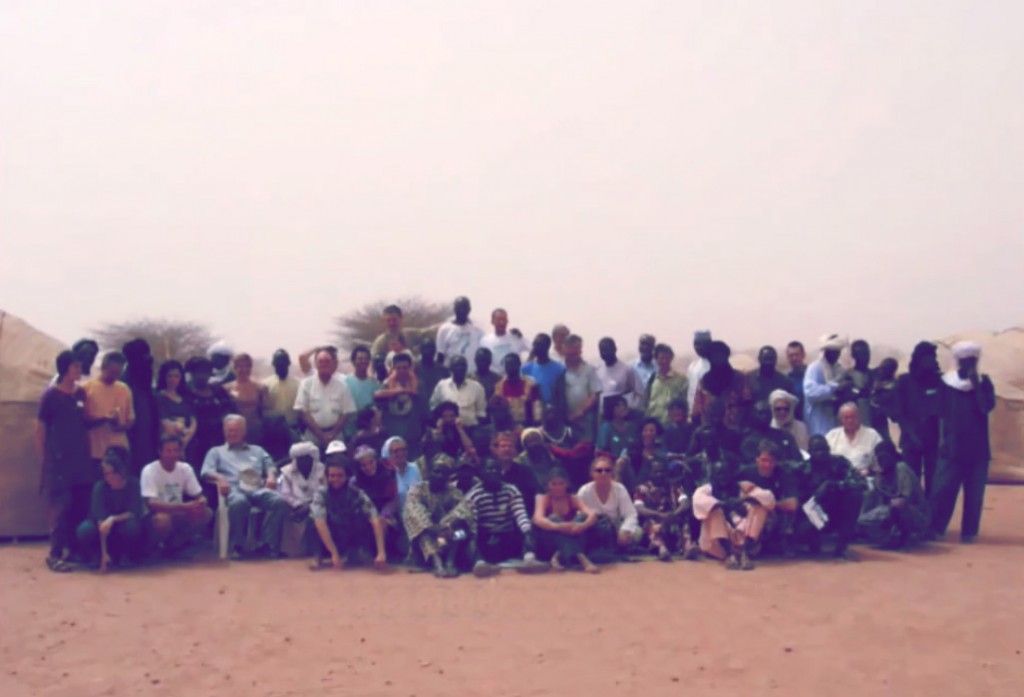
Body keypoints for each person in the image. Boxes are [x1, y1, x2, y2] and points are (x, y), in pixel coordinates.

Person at [929, 341, 996, 544]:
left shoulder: (984, 383)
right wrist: (942, 441)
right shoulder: (946, 384)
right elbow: (940, 414)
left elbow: (986, 408)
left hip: (978, 450)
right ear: (958, 361)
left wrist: (976, 386)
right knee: (943, 491)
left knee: (975, 495)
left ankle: (969, 532)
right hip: (952, 447)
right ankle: (936, 529)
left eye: (973, 361)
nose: (970, 365)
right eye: (966, 361)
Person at [36, 351, 94, 572]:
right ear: (65, 369)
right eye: (76, 367)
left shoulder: (80, 394)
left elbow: (84, 424)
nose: (79, 371)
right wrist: (45, 458)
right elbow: (40, 428)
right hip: (59, 461)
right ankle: (55, 554)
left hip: (80, 461)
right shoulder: (51, 396)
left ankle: (76, 551)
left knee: (80, 506)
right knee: (60, 507)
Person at [201, 415, 289, 559]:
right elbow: (206, 472)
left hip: (258, 488)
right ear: (224, 432)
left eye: (235, 431)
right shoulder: (216, 452)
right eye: (229, 431)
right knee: (239, 502)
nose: (232, 434)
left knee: (278, 501)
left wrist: (271, 476)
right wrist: (220, 478)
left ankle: (269, 546)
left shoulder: (257, 450)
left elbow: (270, 465)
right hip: (234, 489)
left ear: (243, 432)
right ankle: (237, 546)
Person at [403, 454, 476, 578]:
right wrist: (436, 529)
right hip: (424, 543)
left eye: (443, 473)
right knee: (421, 528)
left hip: (448, 538)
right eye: (436, 472)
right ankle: (437, 563)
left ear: (448, 477)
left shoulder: (454, 492)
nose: (439, 476)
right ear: (429, 473)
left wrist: (448, 526)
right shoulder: (417, 490)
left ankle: (450, 562)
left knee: (459, 525)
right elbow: (415, 513)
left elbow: (466, 510)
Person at [692, 457, 770, 570]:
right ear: (714, 475)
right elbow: (699, 501)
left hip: (744, 542)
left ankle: (744, 555)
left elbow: (768, 498)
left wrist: (742, 501)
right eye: (720, 474)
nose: (723, 478)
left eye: (726, 474)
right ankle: (729, 556)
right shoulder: (705, 490)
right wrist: (724, 504)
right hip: (717, 546)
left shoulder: (743, 487)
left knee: (760, 508)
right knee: (715, 510)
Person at [140, 435, 213, 556]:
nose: (172, 454)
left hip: (178, 513)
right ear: (160, 452)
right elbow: (151, 504)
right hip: (155, 515)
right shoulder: (149, 470)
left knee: (206, 513)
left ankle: (175, 545)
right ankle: (151, 547)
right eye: (168, 451)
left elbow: (198, 494)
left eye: (176, 450)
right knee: (163, 521)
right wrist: (184, 507)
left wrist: (201, 502)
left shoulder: (185, 468)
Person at [309, 459, 388, 571]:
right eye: (332, 476)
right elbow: (320, 523)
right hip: (328, 537)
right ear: (327, 477)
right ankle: (318, 556)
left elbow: (375, 519)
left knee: (365, 518)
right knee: (311, 521)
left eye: (340, 475)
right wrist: (334, 554)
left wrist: (381, 552)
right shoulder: (321, 494)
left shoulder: (357, 494)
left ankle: (355, 552)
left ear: (347, 476)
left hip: (347, 534)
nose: (336, 479)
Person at [793, 436, 864, 558]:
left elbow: (861, 483)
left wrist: (833, 485)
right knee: (802, 528)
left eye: (823, 449)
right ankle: (811, 544)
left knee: (854, 496)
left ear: (829, 449)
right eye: (816, 450)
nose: (821, 453)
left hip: (837, 513)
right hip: (812, 513)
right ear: (809, 451)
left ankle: (842, 546)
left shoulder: (840, 463)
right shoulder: (802, 469)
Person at [76, 449, 144, 573]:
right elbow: (101, 523)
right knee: (85, 530)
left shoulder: (133, 484)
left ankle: (125, 554)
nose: (110, 477)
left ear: (121, 471)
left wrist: (113, 519)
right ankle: (96, 555)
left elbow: (133, 511)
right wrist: (104, 554)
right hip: (101, 525)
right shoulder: (99, 487)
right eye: (106, 474)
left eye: (113, 473)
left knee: (132, 527)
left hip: (123, 522)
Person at [465, 458, 535, 576]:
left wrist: (527, 532)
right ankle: (479, 563)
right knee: (467, 535)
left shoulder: (511, 490)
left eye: (496, 469)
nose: (493, 472)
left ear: (501, 472)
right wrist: (481, 538)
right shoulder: (473, 495)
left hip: (507, 535)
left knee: (529, 527)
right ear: (482, 473)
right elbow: (473, 523)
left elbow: (520, 514)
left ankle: (529, 559)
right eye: (489, 469)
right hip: (484, 536)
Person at [859, 441, 930, 549]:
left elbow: (906, 498)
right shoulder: (881, 474)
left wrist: (887, 513)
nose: (882, 460)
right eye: (880, 457)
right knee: (863, 516)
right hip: (890, 510)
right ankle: (889, 538)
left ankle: (906, 537)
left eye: (885, 457)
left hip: (915, 513)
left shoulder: (901, 468)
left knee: (898, 505)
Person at [893, 342, 943, 494]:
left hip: (934, 441)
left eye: (932, 357)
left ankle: (932, 516)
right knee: (911, 485)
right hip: (910, 440)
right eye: (926, 357)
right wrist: (912, 436)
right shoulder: (904, 382)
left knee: (933, 485)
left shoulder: (940, 382)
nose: (930, 360)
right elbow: (898, 413)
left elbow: (944, 412)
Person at [737, 441, 800, 556]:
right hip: (747, 513)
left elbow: (793, 504)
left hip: (774, 514)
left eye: (771, 461)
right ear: (756, 459)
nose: (767, 465)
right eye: (764, 460)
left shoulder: (784, 473)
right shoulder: (745, 473)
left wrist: (769, 503)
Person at [532, 468, 600, 572]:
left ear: (567, 484)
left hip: (572, 535)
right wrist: (559, 527)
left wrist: (582, 526)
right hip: (550, 541)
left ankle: (558, 555)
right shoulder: (542, 498)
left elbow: (591, 514)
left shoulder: (573, 499)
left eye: (561, 484)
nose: (558, 487)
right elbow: (537, 519)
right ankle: (581, 557)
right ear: (548, 485)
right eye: (554, 484)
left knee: (582, 517)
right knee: (553, 518)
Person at [576, 455, 642, 555]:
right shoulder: (584, 491)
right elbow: (578, 516)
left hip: (615, 528)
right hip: (592, 529)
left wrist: (624, 530)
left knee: (637, 533)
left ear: (612, 473)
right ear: (592, 474)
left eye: (607, 470)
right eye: (599, 470)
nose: (603, 473)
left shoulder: (619, 489)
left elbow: (631, 514)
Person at [295, 348, 357, 450]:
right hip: (312, 435)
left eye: (327, 362)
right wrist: (321, 435)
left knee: (337, 463)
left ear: (333, 364)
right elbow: (303, 413)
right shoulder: (306, 384)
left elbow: (346, 413)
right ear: (316, 364)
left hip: (335, 435)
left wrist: (332, 434)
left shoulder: (342, 385)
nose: (324, 364)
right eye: (321, 362)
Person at [352, 445, 407, 561]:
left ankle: (389, 551)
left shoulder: (389, 472)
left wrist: (384, 516)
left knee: (390, 525)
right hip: (366, 513)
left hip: (386, 510)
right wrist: (373, 518)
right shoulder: (355, 481)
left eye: (371, 462)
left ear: (376, 460)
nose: (368, 467)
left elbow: (394, 498)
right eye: (364, 465)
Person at [633, 459, 695, 561]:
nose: (659, 474)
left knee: (683, 519)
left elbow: (686, 503)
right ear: (651, 473)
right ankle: (661, 549)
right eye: (656, 472)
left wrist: (674, 513)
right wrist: (658, 515)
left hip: (671, 519)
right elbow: (639, 508)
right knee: (650, 523)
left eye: (662, 471)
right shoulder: (642, 489)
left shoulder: (674, 486)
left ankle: (688, 547)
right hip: (653, 520)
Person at [82, 351, 135, 470]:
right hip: (96, 452)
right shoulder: (87, 389)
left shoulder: (124, 389)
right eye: (112, 372)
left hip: (119, 450)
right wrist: (103, 419)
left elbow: (130, 420)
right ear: (103, 368)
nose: (115, 376)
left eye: (118, 373)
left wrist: (119, 426)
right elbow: (82, 421)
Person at [183, 356, 234, 475]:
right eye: (199, 371)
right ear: (192, 373)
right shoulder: (186, 394)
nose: (202, 376)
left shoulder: (218, 391)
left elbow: (229, 410)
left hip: (218, 439)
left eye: (206, 371)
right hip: (196, 442)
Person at [375, 353, 426, 457]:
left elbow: (424, 411)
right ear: (393, 368)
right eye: (398, 368)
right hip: (392, 439)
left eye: (405, 368)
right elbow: (377, 397)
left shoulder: (419, 385)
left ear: (411, 368)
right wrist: (400, 390)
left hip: (413, 438)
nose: (402, 371)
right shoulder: (385, 385)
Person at [691, 341, 751, 427]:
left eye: (720, 356)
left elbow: (747, 405)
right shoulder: (704, 381)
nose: (718, 359)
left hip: (735, 431)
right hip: (710, 431)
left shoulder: (738, 378)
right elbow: (697, 411)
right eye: (714, 356)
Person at [277, 441, 326, 546]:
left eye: (307, 459)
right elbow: (285, 494)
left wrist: (310, 506)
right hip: (294, 508)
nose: (304, 462)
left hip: (317, 505)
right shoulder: (286, 472)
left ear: (313, 459)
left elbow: (325, 491)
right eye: (300, 459)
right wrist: (298, 505)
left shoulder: (322, 470)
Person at [121, 339, 158, 473]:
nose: (148, 361)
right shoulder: (123, 386)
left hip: (148, 446)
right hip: (131, 448)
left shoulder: (145, 384)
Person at [803, 334, 847, 437]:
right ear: (826, 352)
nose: (835, 355)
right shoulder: (814, 368)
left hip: (835, 422)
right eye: (832, 352)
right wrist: (835, 388)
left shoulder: (840, 370)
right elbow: (810, 393)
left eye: (837, 352)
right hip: (818, 423)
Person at [429, 355, 487, 430]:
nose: (460, 368)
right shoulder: (442, 386)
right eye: (456, 366)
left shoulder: (477, 387)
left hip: (470, 430)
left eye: (462, 365)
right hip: (447, 430)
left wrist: (475, 428)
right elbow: (433, 407)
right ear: (451, 368)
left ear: (466, 368)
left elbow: (481, 413)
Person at [825, 403, 883, 477]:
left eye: (853, 417)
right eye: (846, 418)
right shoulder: (832, 435)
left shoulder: (872, 435)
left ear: (859, 417)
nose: (850, 420)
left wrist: (869, 471)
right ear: (841, 419)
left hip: (866, 479)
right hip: (838, 479)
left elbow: (880, 463)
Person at [491, 431, 539, 517]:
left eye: (510, 446)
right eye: (503, 446)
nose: (507, 449)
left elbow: (531, 497)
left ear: (515, 451)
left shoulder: (525, 472)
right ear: (496, 450)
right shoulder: (489, 472)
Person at [562, 335, 601, 442]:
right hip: (565, 419)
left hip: (586, 418)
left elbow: (595, 394)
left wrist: (580, 412)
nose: (574, 356)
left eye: (577, 352)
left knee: (586, 448)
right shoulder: (560, 369)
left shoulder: (590, 369)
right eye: (570, 353)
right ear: (564, 350)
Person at [224, 353, 269, 446]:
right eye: (239, 366)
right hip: (234, 432)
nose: (242, 370)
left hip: (255, 430)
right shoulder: (226, 389)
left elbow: (264, 411)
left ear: (250, 368)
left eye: (246, 366)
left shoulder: (260, 388)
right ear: (234, 368)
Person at [370, 304, 439, 360]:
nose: (391, 323)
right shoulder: (380, 342)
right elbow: (372, 360)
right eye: (388, 320)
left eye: (394, 320)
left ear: (401, 319)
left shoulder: (410, 334)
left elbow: (430, 332)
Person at [644, 343, 689, 427]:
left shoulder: (681, 380)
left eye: (667, 358)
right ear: (656, 359)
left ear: (671, 358)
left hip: (672, 426)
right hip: (654, 425)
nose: (664, 361)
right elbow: (646, 402)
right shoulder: (651, 379)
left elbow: (685, 403)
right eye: (661, 358)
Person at [155, 360, 197, 452]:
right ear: (164, 377)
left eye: (176, 376)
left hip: (188, 444)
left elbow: (193, 420)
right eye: (170, 376)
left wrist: (186, 439)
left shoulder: (186, 397)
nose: (173, 379)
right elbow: (164, 421)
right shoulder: (159, 397)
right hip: (168, 444)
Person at [495, 353, 542, 429]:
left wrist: (536, 425)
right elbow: (498, 409)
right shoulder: (499, 386)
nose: (509, 367)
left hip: (528, 424)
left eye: (511, 364)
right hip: (508, 426)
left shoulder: (530, 384)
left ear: (519, 364)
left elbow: (537, 407)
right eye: (507, 365)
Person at [595, 337, 643, 413]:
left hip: (620, 417)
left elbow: (639, 392)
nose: (604, 353)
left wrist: (630, 409)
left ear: (615, 349)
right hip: (602, 415)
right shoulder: (597, 370)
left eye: (607, 350)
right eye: (602, 350)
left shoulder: (627, 369)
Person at [435, 296, 485, 366]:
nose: (462, 310)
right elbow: (440, 354)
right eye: (459, 307)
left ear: (469, 309)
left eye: (464, 308)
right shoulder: (445, 329)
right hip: (451, 373)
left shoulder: (477, 330)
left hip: (472, 374)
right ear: (454, 309)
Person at [521, 334, 567, 408]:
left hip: (552, 412)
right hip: (532, 412)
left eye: (538, 345)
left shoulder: (559, 369)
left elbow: (561, 396)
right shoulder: (526, 369)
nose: (535, 348)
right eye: (534, 344)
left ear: (547, 347)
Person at [479, 308, 529, 373]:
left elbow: (534, 349)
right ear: (492, 321)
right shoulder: (485, 341)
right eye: (499, 320)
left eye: (504, 320)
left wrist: (528, 366)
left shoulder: (515, 337)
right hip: (495, 379)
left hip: (514, 378)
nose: (502, 323)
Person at [262, 349, 300, 430]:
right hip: (273, 429)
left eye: (283, 361)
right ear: (273, 364)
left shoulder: (298, 385)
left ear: (289, 363)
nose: (281, 364)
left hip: (293, 427)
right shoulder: (265, 385)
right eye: (278, 362)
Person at [382, 436, 421, 511]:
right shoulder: (386, 474)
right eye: (396, 451)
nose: (401, 453)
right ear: (388, 453)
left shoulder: (414, 468)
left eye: (403, 449)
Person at [845, 340, 875, 428]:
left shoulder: (875, 375)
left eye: (867, 354)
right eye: (861, 354)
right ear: (853, 356)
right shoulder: (848, 376)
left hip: (876, 423)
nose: (866, 357)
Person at [345, 346, 382, 414]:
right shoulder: (345, 382)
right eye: (360, 359)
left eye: (366, 359)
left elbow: (378, 407)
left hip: (366, 422)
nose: (363, 361)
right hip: (348, 422)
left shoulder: (375, 384)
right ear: (353, 361)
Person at [415, 338, 449, 407]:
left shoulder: (443, 370)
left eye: (431, 348)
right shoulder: (414, 369)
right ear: (420, 350)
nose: (428, 351)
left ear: (435, 350)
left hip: (439, 407)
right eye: (425, 348)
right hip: (419, 407)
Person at [685, 330, 713, 413]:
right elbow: (690, 391)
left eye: (701, 344)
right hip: (693, 412)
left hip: (709, 413)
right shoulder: (693, 366)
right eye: (695, 344)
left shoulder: (717, 365)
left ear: (709, 344)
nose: (697, 347)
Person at [785, 340, 808, 420]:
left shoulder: (811, 376)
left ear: (803, 355)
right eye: (791, 356)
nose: (794, 358)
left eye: (797, 355)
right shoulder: (785, 378)